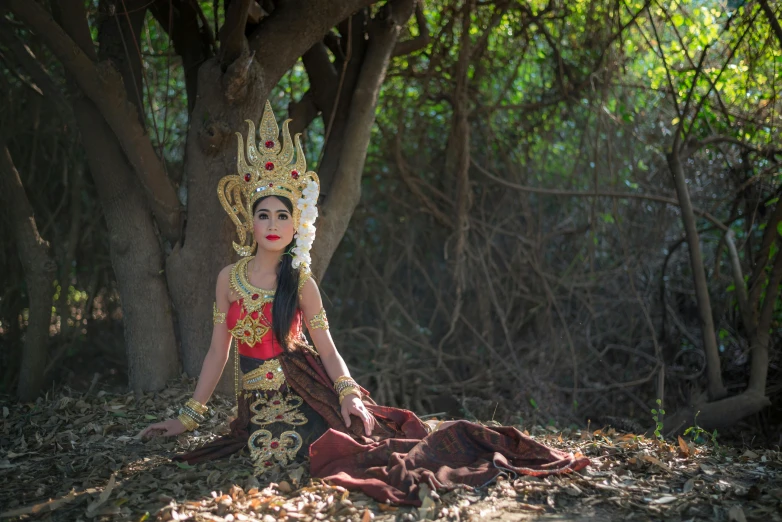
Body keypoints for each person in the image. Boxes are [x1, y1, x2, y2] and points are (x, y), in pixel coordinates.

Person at [139, 101, 589, 506]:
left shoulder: (302, 283)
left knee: (344, 454)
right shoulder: (229, 280)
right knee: (271, 453)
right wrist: (187, 418)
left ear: (296, 225)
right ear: (249, 221)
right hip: (255, 405)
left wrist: (349, 394)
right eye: (264, 214)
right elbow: (219, 350)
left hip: (303, 390)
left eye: (283, 215)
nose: (273, 224)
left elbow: (328, 349)